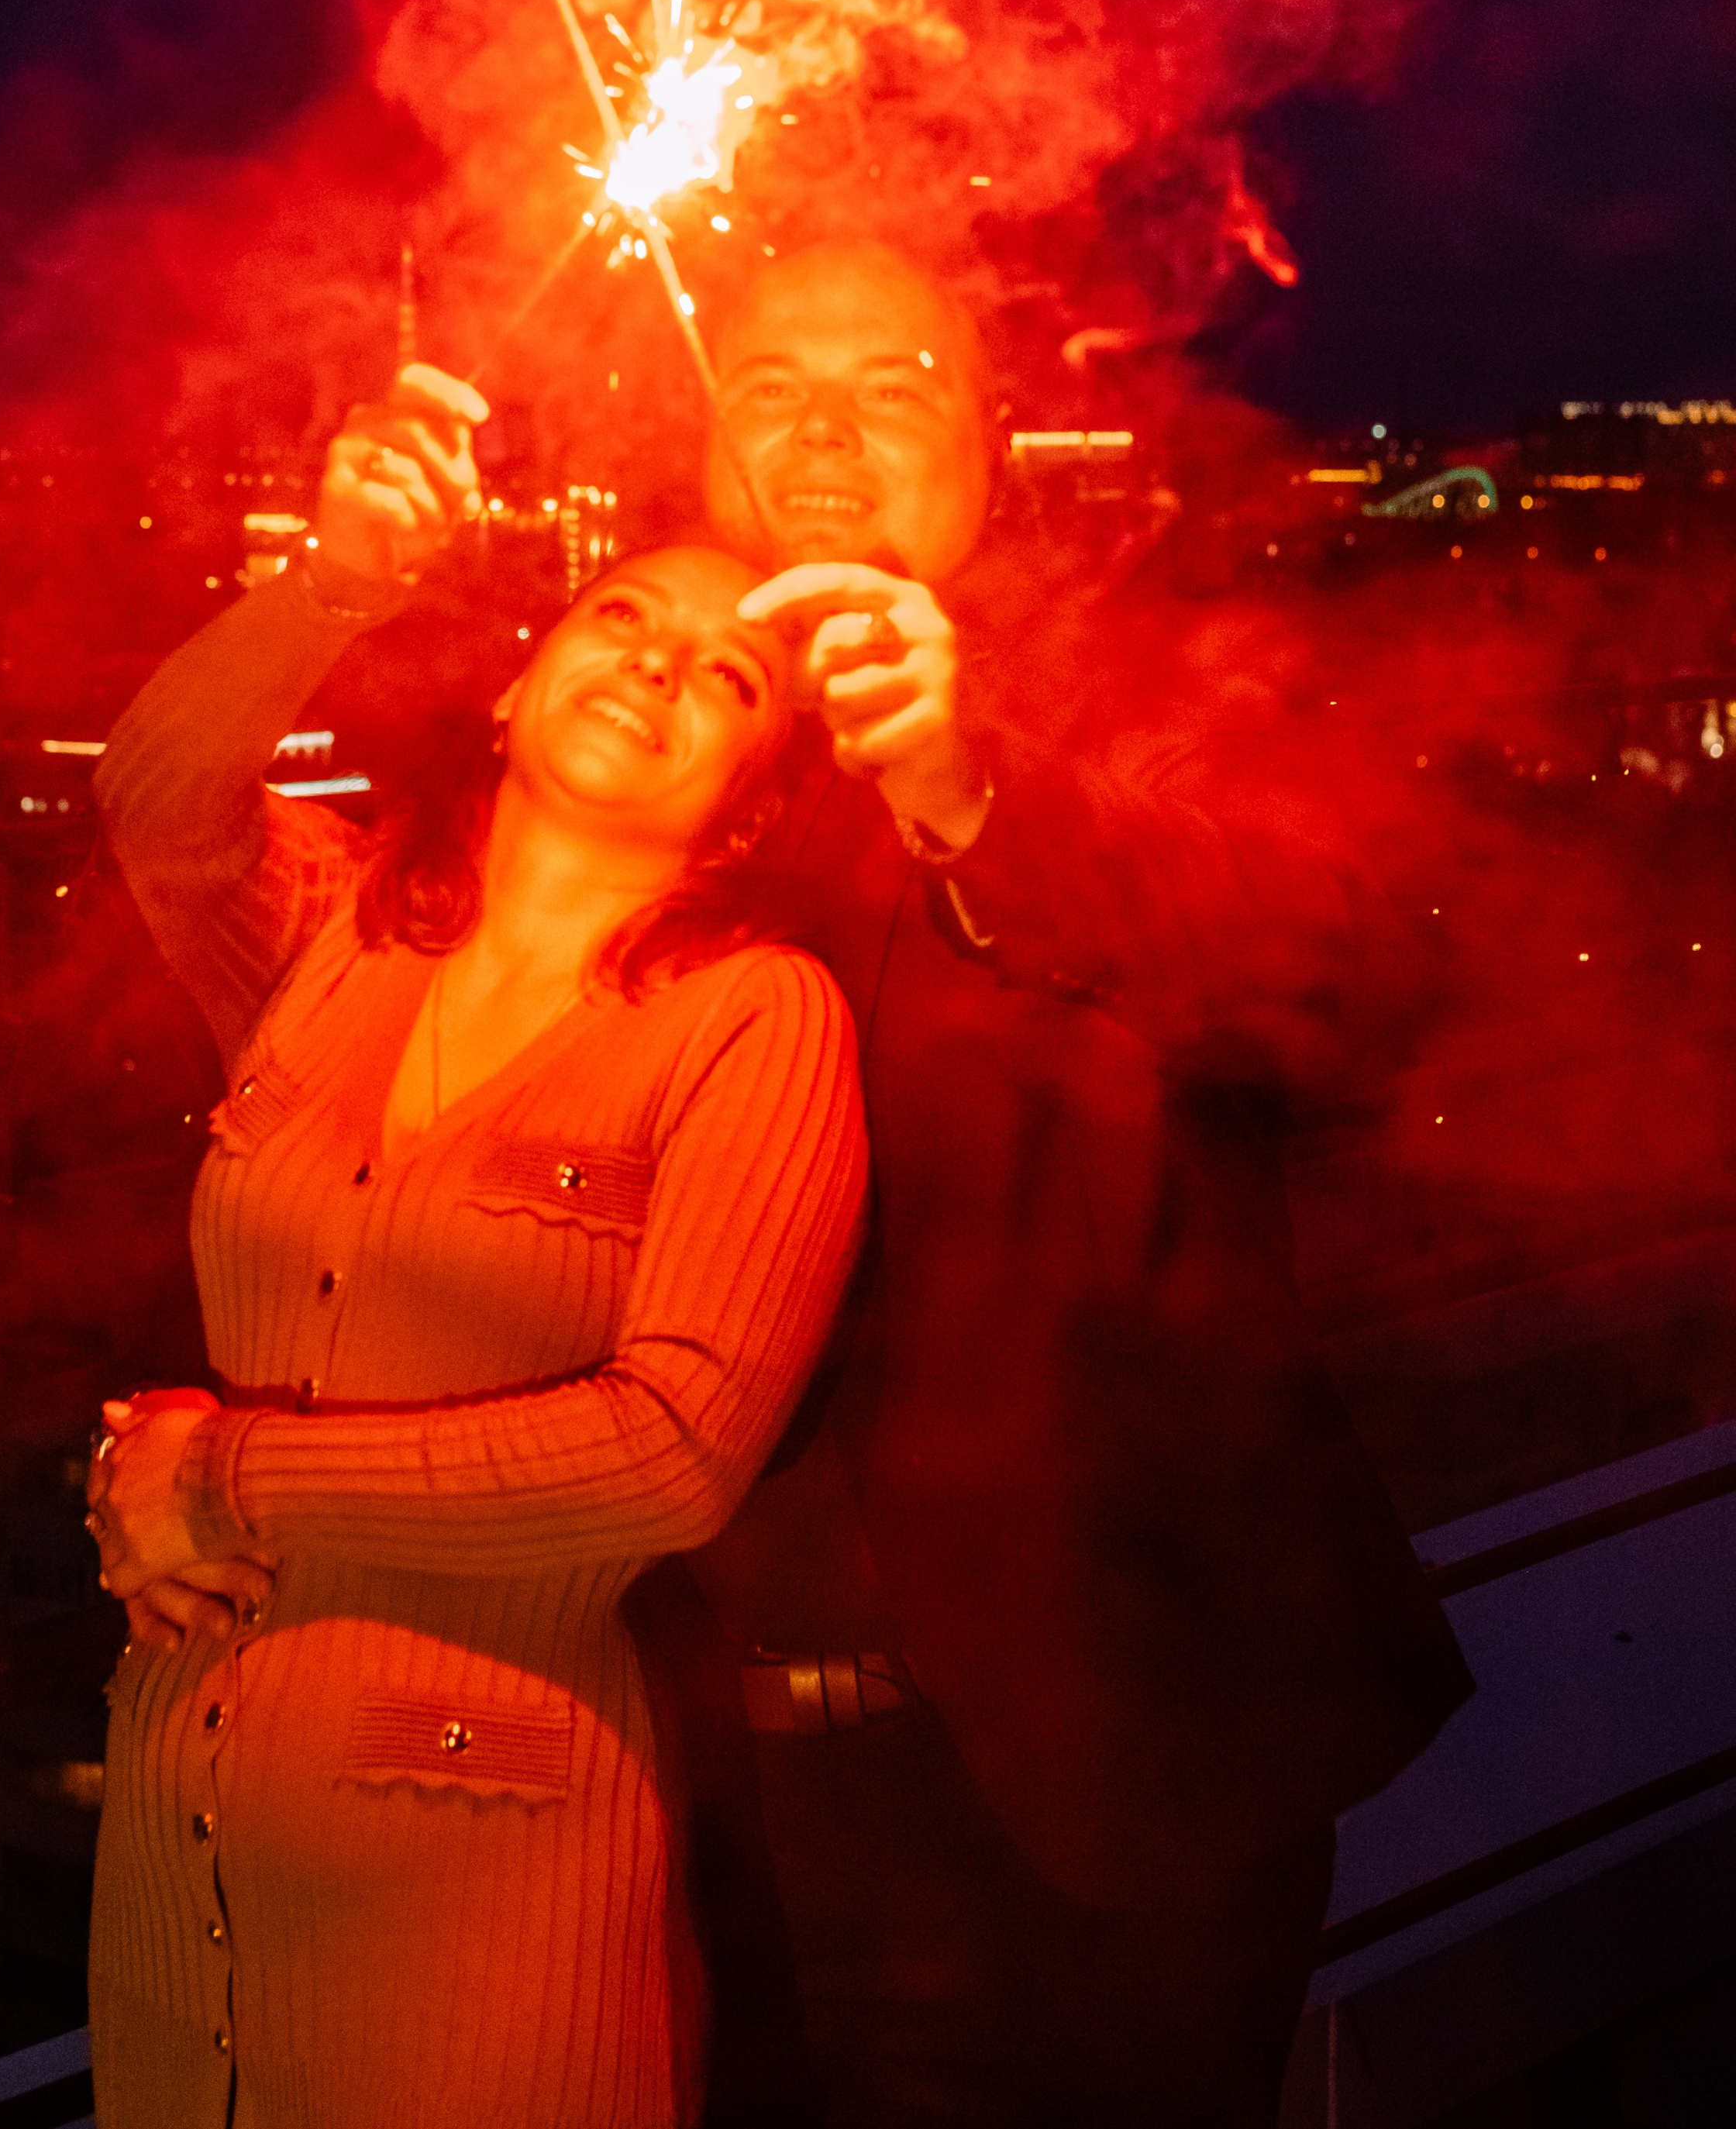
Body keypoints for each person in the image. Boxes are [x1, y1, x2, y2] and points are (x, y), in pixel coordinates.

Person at [673, 240, 1472, 2129]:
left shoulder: (1146, 667)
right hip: (709, 1793)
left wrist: (976, 789)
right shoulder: (648, 717)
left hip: (1115, 1768)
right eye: (770, 387)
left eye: (889, 387)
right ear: (702, 445)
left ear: (993, 440)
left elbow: (1342, 970)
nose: (823, 430)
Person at [82, 360, 869, 2129]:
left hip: (492, 1875)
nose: (657, 665)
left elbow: (674, 1450)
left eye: (726, 675)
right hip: (183, 1860)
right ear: (519, 684)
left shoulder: (756, 1019)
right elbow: (156, 795)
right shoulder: (339, 929)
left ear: (748, 803)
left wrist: (226, 1476)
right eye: (623, 617)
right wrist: (334, 583)